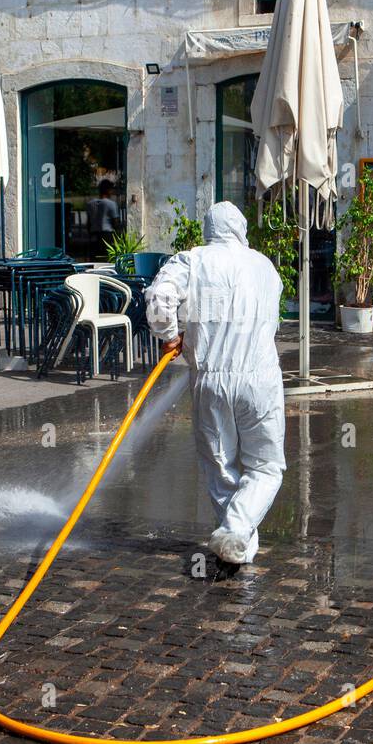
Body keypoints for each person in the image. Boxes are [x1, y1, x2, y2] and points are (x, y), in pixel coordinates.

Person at [145, 200, 286, 569]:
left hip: (210, 379)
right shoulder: (265, 267)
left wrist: (170, 335)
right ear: (240, 230)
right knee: (266, 467)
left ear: (208, 230)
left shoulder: (193, 260)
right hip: (260, 379)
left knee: (221, 467)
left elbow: (160, 301)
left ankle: (236, 535)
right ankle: (237, 536)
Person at [86, 179, 121, 258]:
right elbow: (115, 223)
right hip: (107, 235)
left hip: (94, 235)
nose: (112, 192)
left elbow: (88, 223)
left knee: (94, 259)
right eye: (111, 190)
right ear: (108, 190)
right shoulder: (111, 204)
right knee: (107, 259)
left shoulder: (90, 204)